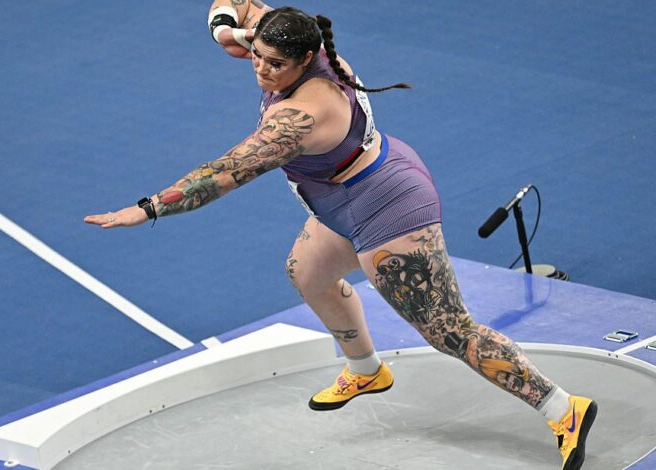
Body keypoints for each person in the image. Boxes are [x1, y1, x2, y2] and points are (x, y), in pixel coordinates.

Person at [85, 3, 596, 468]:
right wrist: (224, 26)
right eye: (258, 56)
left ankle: (562, 408)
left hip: (387, 206)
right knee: (307, 273)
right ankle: (366, 369)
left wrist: (147, 208)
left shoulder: (303, 115)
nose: (261, 69)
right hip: (340, 198)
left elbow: (223, 174)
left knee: (449, 329)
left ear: (306, 60)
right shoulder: (289, 39)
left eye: (275, 64)